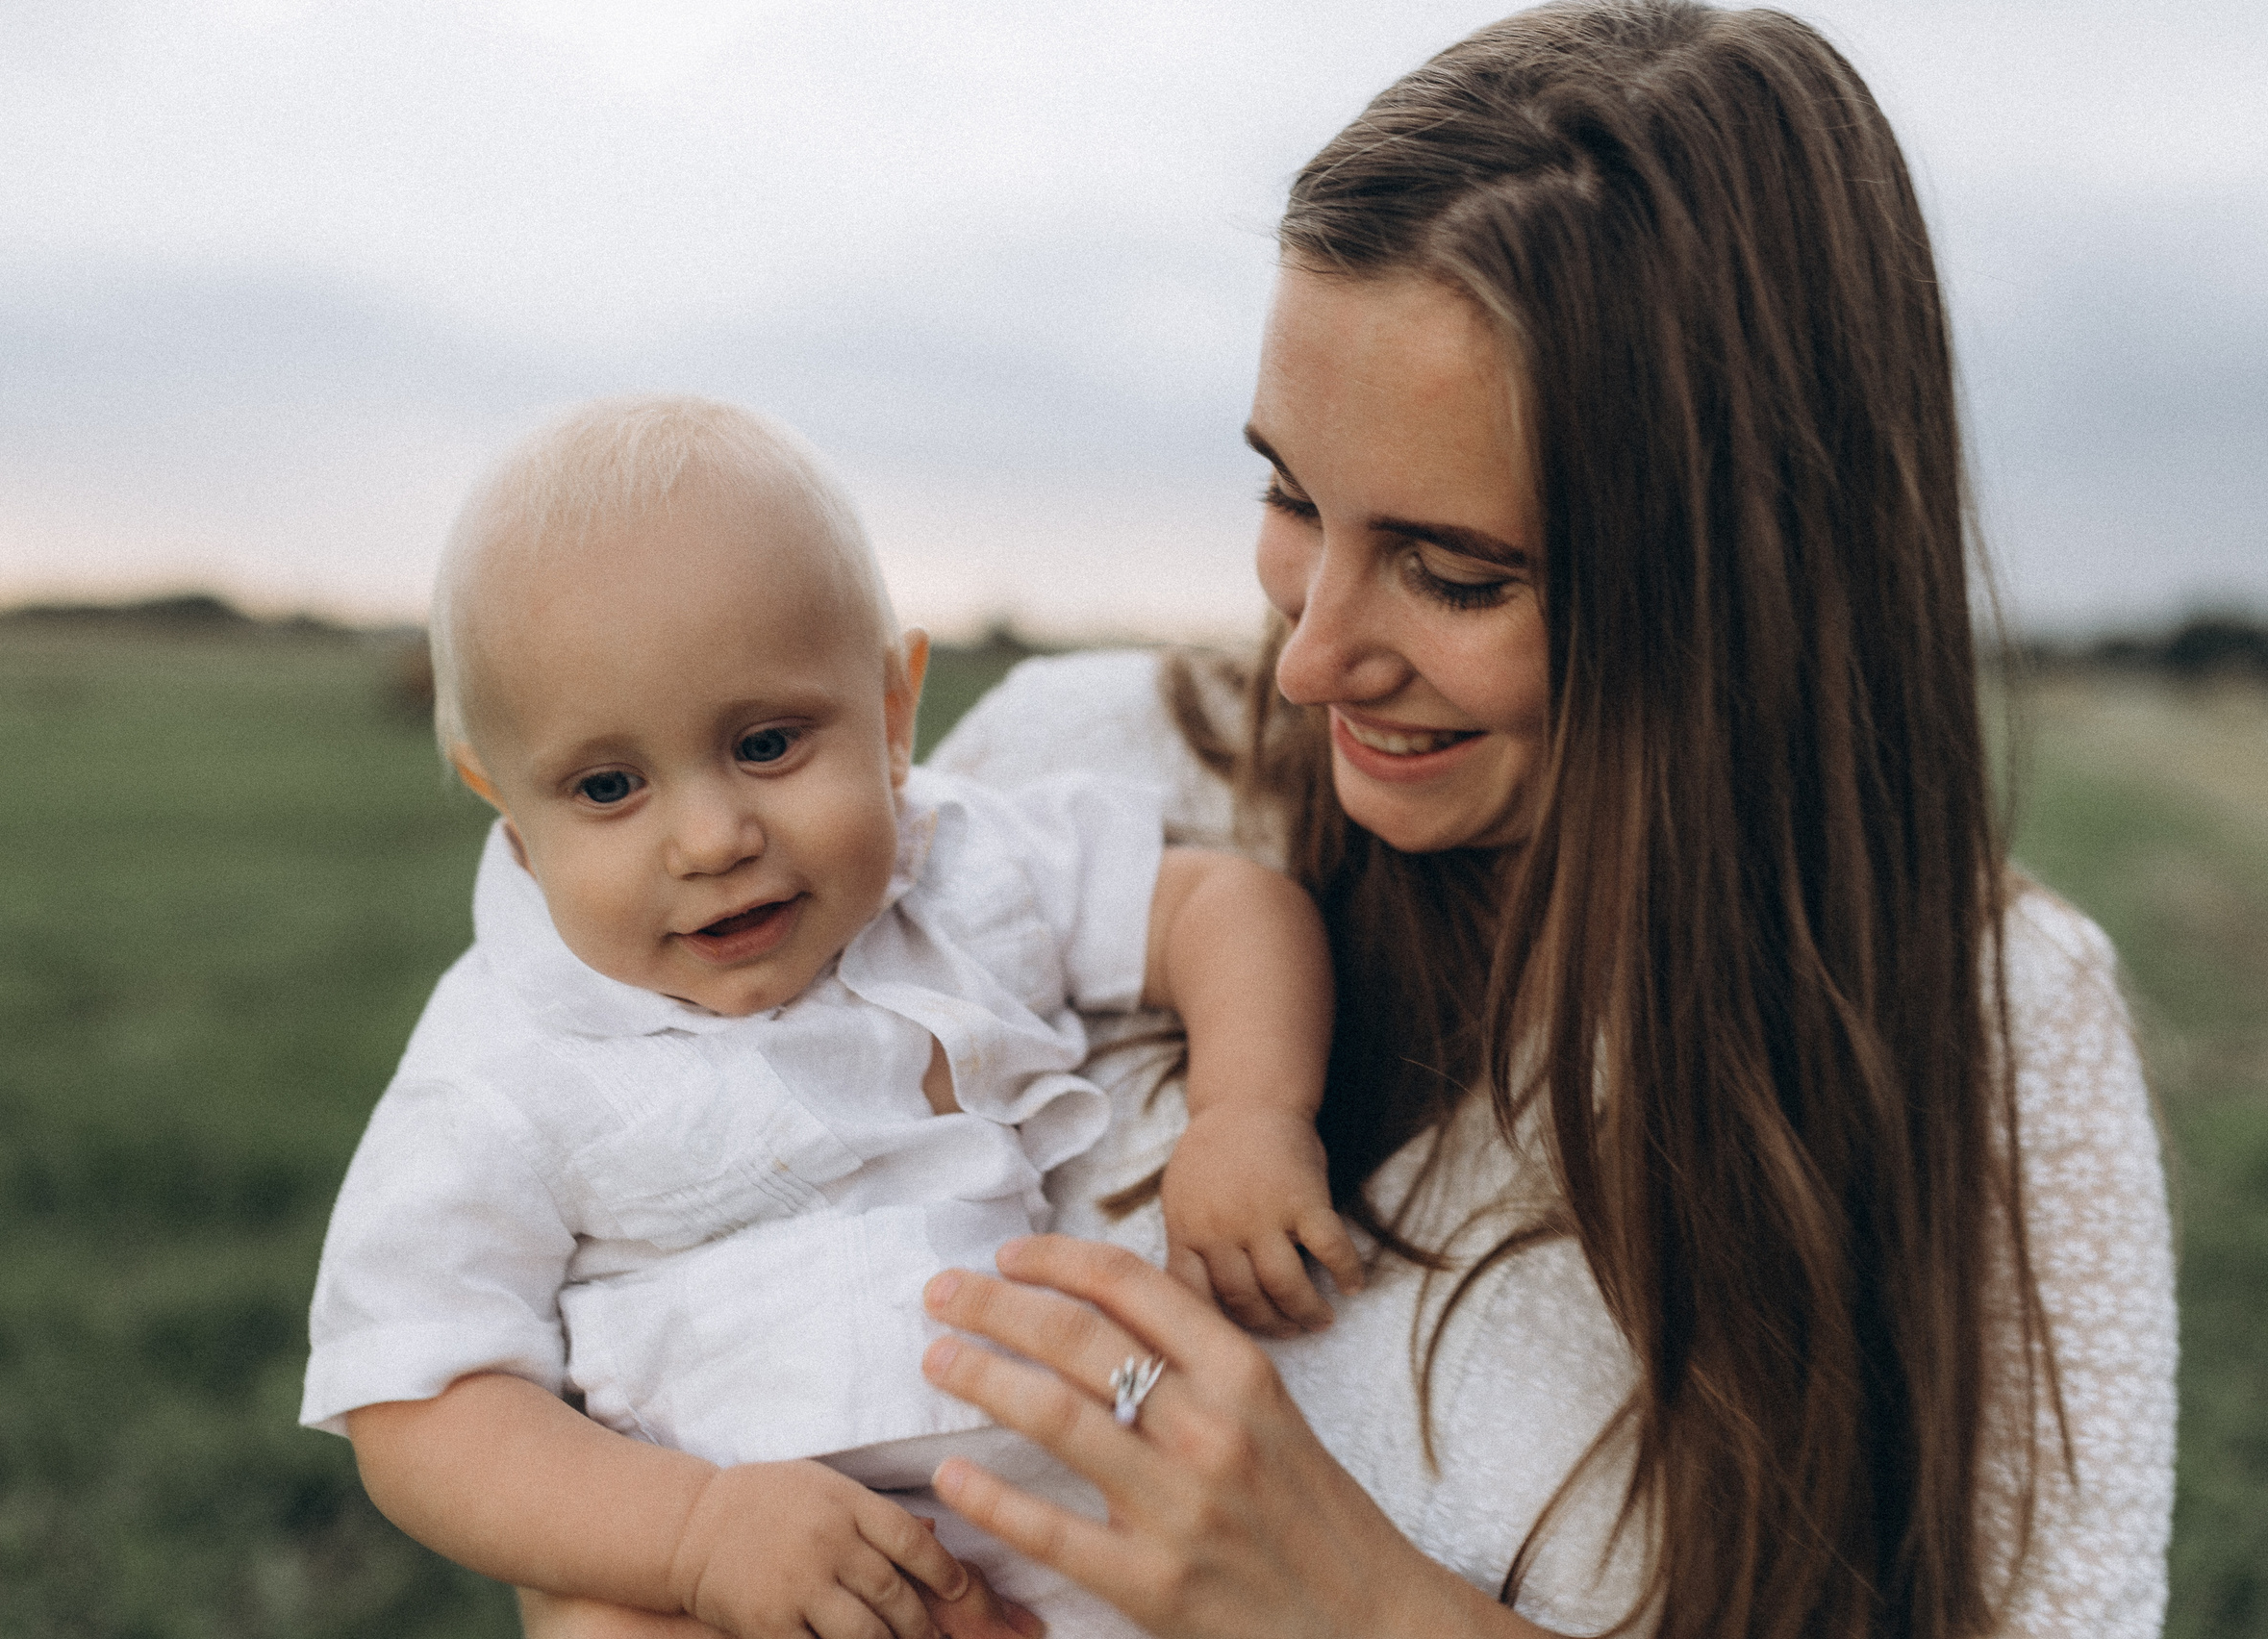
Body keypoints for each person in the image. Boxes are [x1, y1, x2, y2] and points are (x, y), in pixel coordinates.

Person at [904, 4, 2178, 1639]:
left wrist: (1362, 1611)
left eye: (1455, 571)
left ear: (1751, 578)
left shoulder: (1988, 1026)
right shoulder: (1084, 770)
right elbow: (615, 1312)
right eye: (1291, 497)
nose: (1310, 658)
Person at [298, 396, 1357, 1639]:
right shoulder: (501, 1068)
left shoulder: (962, 867)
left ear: (893, 711)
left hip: (1096, 1551)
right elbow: (422, 1404)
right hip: (748, 1578)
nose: (711, 837)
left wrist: (1247, 1114)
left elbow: (1221, 907)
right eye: (608, 785)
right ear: (505, 800)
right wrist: (693, 1535)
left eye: (764, 743)